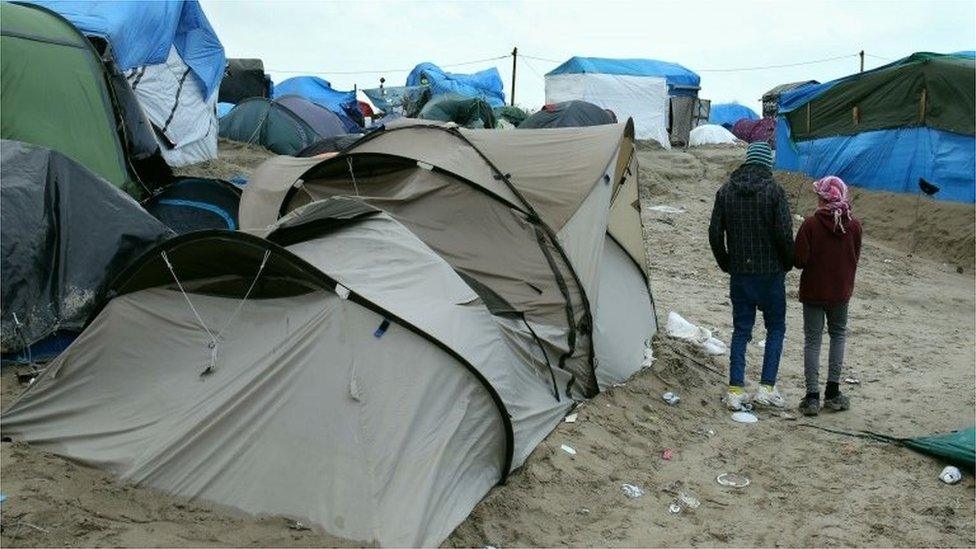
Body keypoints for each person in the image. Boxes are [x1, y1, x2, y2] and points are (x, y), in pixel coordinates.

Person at [708, 142, 794, 410]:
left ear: (747, 161)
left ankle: (736, 389)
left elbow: (714, 233)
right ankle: (767, 387)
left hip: (740, 274)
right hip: (770, 273)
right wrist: (787, 262)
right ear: (767, 163)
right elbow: (783, 234)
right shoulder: (775, 192)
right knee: (776, 328)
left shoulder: (725, 192)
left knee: (741, 330)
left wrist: (726, 263)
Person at [794, 176, 862, 416]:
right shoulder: (854, 226)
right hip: (841, 292)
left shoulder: (810, 225)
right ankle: (832, 392)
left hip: (813, 291)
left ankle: (812, 396)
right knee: (838, 336)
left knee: (813, 341)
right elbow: (855, 256)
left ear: (822, 197)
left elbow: (799, 261)